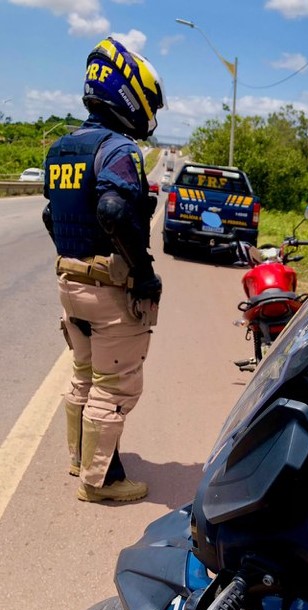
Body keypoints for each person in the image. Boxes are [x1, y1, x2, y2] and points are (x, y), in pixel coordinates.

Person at [42, 37, 165, 502]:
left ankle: (80, 461)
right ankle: (103, 482)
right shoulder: (118, 150)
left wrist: (77, 259)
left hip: (69, 282)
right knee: (114, 387)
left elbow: (52, 217)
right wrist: (144, 273)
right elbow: (114, 211)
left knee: (82, 375)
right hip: (108, 288)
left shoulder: (62, 148)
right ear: (129, 94)